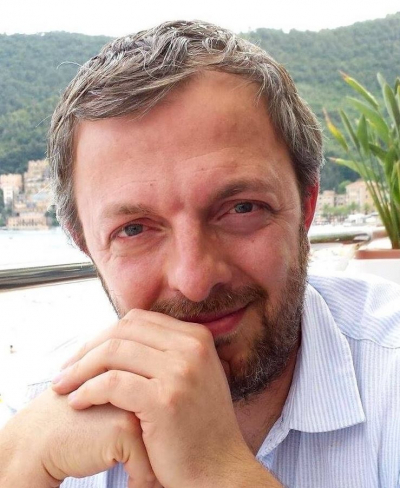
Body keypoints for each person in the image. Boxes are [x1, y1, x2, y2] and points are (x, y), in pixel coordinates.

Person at [1, 20, 400, 488]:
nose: (194, 280)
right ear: (87, 245)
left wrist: (216, 470)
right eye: (134, 229)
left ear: (306, 207)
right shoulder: (36, 420)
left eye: (242, 208)